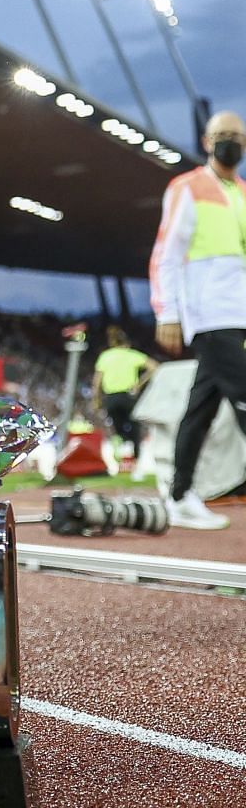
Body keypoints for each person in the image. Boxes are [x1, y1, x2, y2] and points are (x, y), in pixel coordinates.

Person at [150, 109, 246, 531]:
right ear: (207, 142)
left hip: (238, 312)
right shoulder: (187, 187)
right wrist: (167, 312)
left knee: (202, 407)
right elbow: (166, 255)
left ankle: (179, 495)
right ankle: (179, 495)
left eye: (236, 135)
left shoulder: (242, 192)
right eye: (222, 134)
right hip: (208, 314)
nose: (230, 141)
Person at [90, 325, 156, 462]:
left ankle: (119, 441)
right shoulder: (132, 354)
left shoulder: (105, 356)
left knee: (118, 425)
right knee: (135, 425)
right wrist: (140, 383)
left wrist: (96, 399)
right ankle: (136, 457)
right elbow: (154, 367)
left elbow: (97, 381)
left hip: (111, 398)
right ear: (127, 343)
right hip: (129, 396)